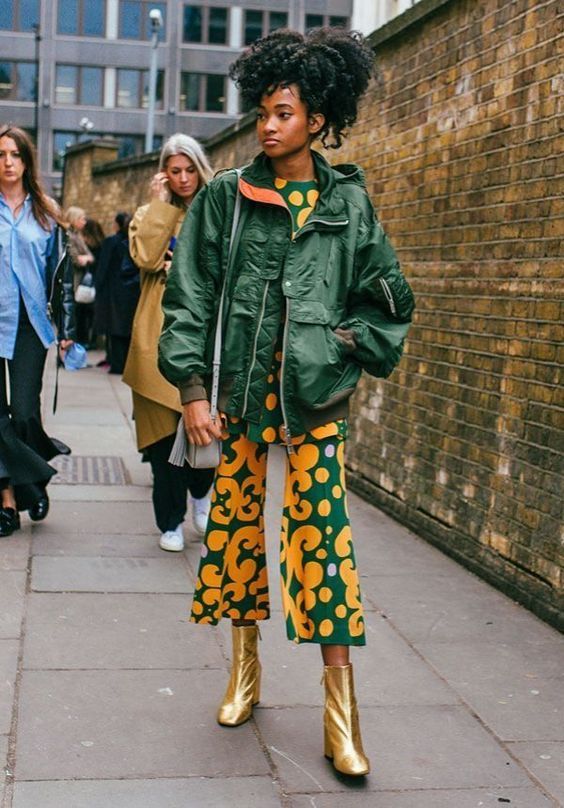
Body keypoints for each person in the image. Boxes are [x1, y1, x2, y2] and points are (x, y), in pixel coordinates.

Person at [159, 28, 415, 776]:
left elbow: (388, 303)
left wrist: (342, 346)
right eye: (264, 112)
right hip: (235, 400)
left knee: (325, 550)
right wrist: (194, 392)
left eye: (283, 113)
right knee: (237, 534)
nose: (268, 126)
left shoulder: (349, 204)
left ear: (318, 118)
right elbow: (190, 299)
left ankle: (341, 719)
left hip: (314, 404)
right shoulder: (222, 198)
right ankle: (244, 675)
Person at [123, 134, 214, 551]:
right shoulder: (149, 213)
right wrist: (159, 204)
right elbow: (144, 256)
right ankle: (170, 523)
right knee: (163, 445)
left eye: (189, 169)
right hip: (154, 340)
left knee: (203, 433)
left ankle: (200, 493)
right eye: (174, 171)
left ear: (200, 168)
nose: (182, 179)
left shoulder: (217, 210)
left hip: (204, 337)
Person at [0, 124, 75, 537]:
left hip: (30, 325)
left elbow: (61, 277)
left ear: (27, 161)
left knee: (25, 412)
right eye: (1, 155)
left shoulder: (45, 212)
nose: (8, 162)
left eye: (15, 154)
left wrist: (67, 329)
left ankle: (32, 479)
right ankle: (9, 500)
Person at [95, 212, 136, 374]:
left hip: (113, 290)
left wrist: (98, 287)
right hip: (132, 290)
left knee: (115, 328)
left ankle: (117, 363)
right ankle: (125, 363)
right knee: (126, 329)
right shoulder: (134, 242)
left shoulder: (111, 242)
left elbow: (103, 267)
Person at [65, 206, 95, 346]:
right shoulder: (69, 236)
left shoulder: (78, 236)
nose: (84, 222)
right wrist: (85, 258)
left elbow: (90, 256)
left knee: (80, 316)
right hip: (74, 281)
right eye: (82, 218)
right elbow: (76, 258)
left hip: (81, 280)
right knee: (73, 317)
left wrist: (86, 258)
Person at [80, 218, 105, 348]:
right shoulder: (103, 243)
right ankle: (94, 340)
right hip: (98, 282)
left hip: (91, 282)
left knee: (87, 313)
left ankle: (90, 341)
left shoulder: (91, 246)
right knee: (93, 313)